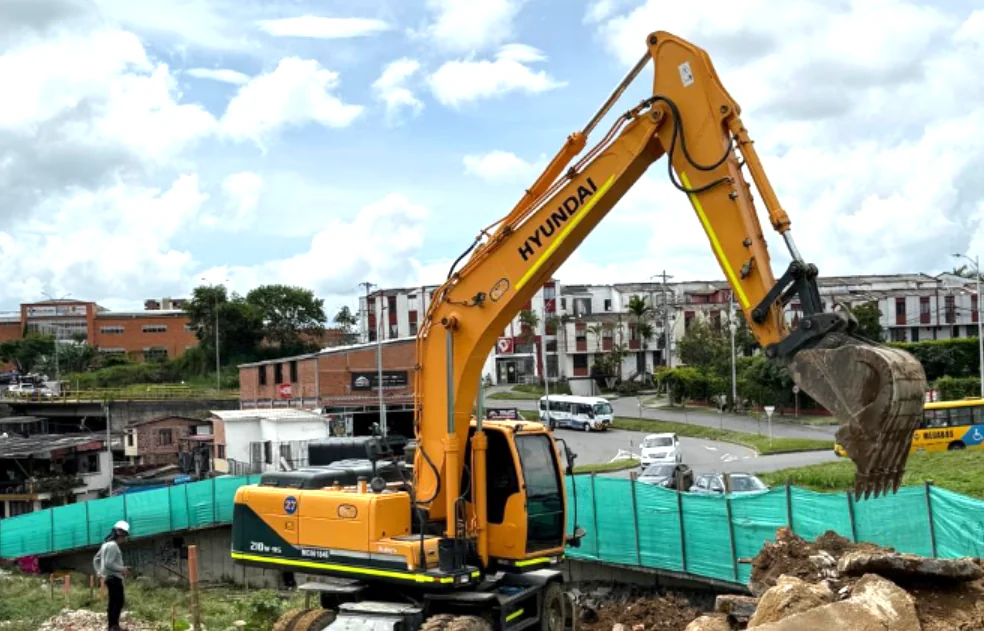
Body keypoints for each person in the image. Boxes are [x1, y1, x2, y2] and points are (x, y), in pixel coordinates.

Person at [93, 520, 130, 631]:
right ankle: (114, 627)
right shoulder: (113, 546)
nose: (125, 538)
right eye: (125, 536)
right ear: (120, 534)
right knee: (118, 602)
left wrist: (99, 572)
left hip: (108, 578)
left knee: (113, 602)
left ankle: (111, 626)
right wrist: (123, 569)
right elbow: (109, 564)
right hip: (115, 578)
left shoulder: (105, 545)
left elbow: (96, 559)